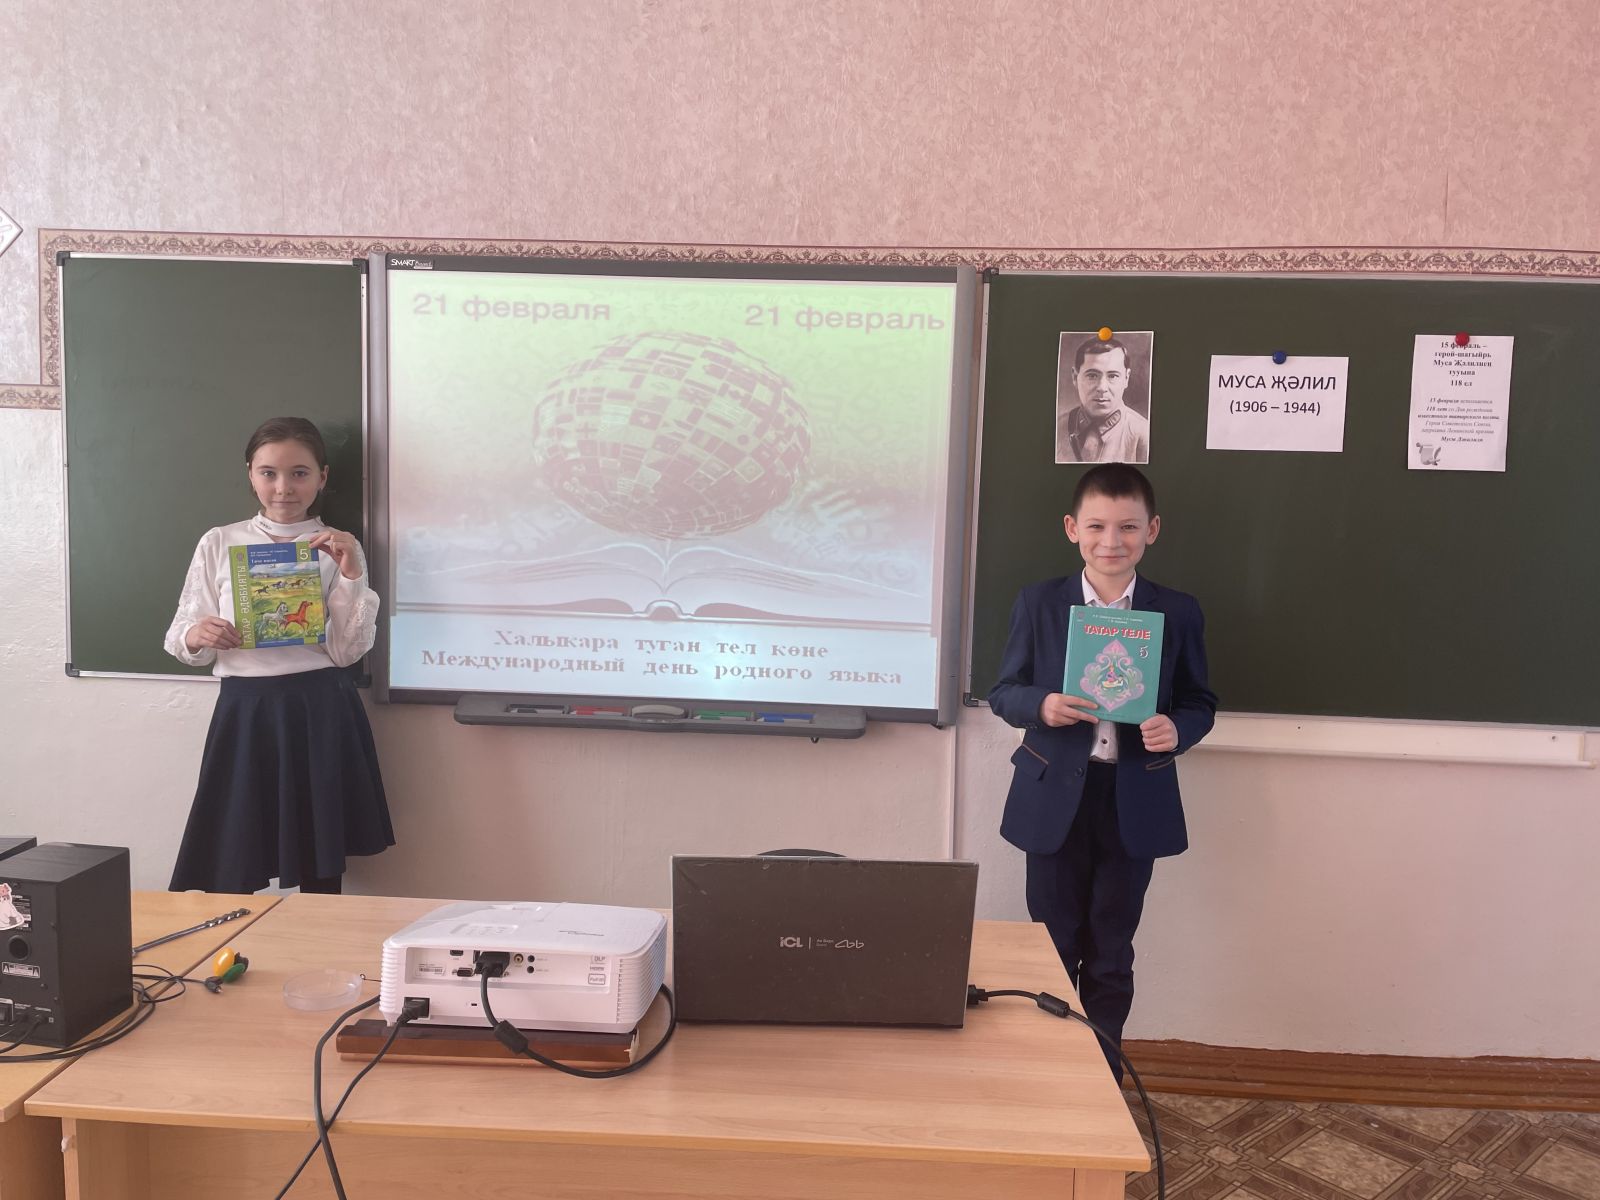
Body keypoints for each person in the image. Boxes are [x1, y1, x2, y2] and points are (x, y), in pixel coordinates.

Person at [988, 463, 1215, 1080]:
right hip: (1054, 802)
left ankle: (1102, 1080)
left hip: (1132, 802)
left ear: (1152, 530)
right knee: (1052, 947)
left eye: (1128, 527)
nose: (1111, 541)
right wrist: (1041, 705)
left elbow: (1199, 701)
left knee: (1111, 950)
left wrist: (1178, 729)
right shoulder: (1039, 602)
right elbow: (1004, 690)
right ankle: (1050, 1078)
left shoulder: (1178, 611)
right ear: (1072, 529)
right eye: (1096, 526)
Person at [164, 417, 394, 894]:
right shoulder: (219, 541)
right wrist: (197, 634)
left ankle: (316, 941)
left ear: (322, 477)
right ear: (251, 475)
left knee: (319, 863)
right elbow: (180, 637)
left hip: (319, 707)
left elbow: (347, 651)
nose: (284, 487)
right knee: (233, 855)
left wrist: (352, 575)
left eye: (299, 473)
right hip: (245, 710)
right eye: (268, 473)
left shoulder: (339, 545)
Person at [1056, 336, 1150, 464]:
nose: (1102, 388)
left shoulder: (1143, 434)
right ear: (1075, 377)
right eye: (1092, 375)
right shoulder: (1058, 428)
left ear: (1126, 378)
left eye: (1113, 376)